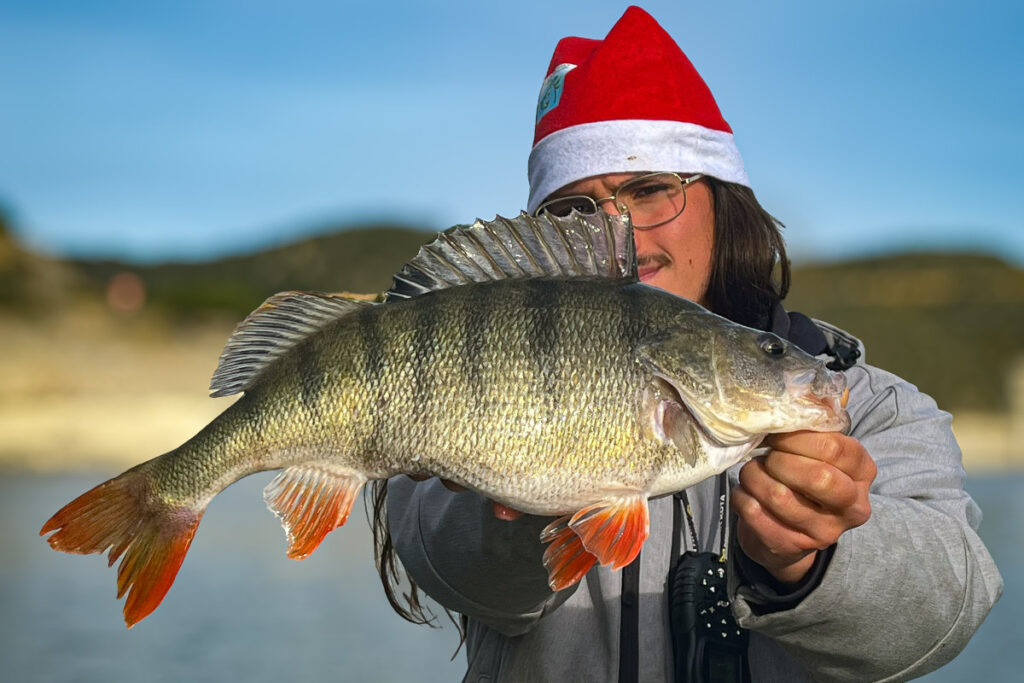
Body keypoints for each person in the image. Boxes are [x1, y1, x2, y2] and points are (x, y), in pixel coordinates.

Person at [379, 6, 1003, 681]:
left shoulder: (872, 403)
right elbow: (450, 564)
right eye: (575, 211)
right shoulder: (461, 362)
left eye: (649, 190)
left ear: (722, 200)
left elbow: (949, 605)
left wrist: (814, 562)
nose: (620, 233)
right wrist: (516, 503)